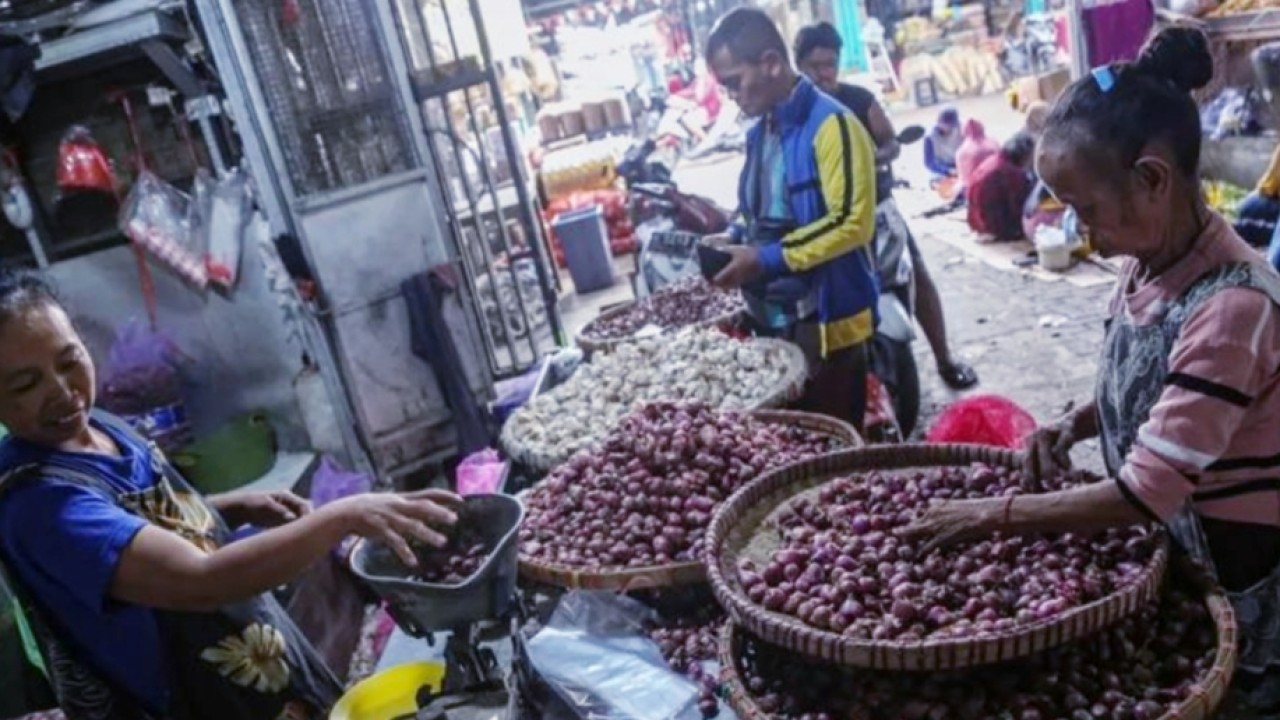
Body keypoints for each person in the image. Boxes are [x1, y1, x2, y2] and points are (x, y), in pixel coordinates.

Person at [904, 27, 1280, 711]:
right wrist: (1076, 422)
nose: (1080, 234)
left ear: (1153, 180)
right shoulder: (1149, 265)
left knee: (1237, 694)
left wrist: (998, 515)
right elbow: (1160, 387)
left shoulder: (1232, 306)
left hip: (1235, 562)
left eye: (1085, 210)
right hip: (1181, 540)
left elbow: (1144, 493)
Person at [0, 272, 466, 719]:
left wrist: (228, 508)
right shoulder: (42, 506)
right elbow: (200, 581)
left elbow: (135, 523)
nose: (62, 392)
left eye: (69, 361)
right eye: (26, 384)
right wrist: (341, 517)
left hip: (252, 660)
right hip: (197, 698)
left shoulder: (95, 426)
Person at [703, 7, 879, 430]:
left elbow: (852, 223)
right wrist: (733, 240)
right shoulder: (759, 134)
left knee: (835, 447)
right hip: (776, 323)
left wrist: (764, 259)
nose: (732, 95)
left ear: (771, 64)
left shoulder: (833, 125)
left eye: (734, 82)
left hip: (829, 326)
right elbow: (759, 215)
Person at [793, 21, 979, 390]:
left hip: (876, 210)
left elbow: (891, 143)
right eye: (814, 65)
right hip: (822, 223)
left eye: (828, 64)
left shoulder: (859, 99)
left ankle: (944, 359)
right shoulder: (794, 115)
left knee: (918, 272)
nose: (822, 73)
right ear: (798, 66)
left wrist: (871, 159)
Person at [966, 132, 1036, 242]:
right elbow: (1021, 203)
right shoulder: (1010, 172)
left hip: (977, 220)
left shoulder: (994, 160)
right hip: (993, 225)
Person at [955, 119, 1000, 193]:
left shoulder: (962, 152)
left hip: (975, 189)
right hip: (997, 183)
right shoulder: (993, 143)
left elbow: (963, 179)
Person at [924, 107, 962, 180]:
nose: (950, 127)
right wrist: (947, 171)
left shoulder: (961, 128)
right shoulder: (930, 136)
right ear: (939, 122)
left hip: (960, 163)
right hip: (942, 167)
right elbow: (929, 162)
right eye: (947, 125)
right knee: (938, 180)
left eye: (952, 125)